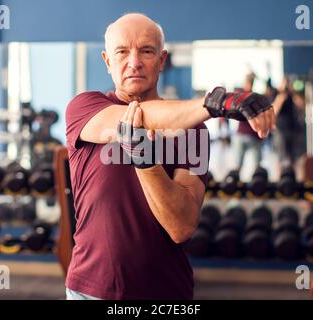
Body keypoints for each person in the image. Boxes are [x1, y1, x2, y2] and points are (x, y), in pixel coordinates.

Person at [64, 13, 275, 300]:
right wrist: (217, 102)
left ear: (162, 60)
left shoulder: (194, 130)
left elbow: (181, 226)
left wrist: (147, 163)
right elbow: (138, 117)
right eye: (122, 52)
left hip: (166, 292)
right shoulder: (84, 107)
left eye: (146, 51)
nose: (134, 62)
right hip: (90, 289)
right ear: (107, 60)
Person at [231, 72, 263, 174]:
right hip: (246, 135)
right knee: (240, 165)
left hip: (249, 135)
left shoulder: (244, 95)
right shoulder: (252, 96)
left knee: (255, 166)